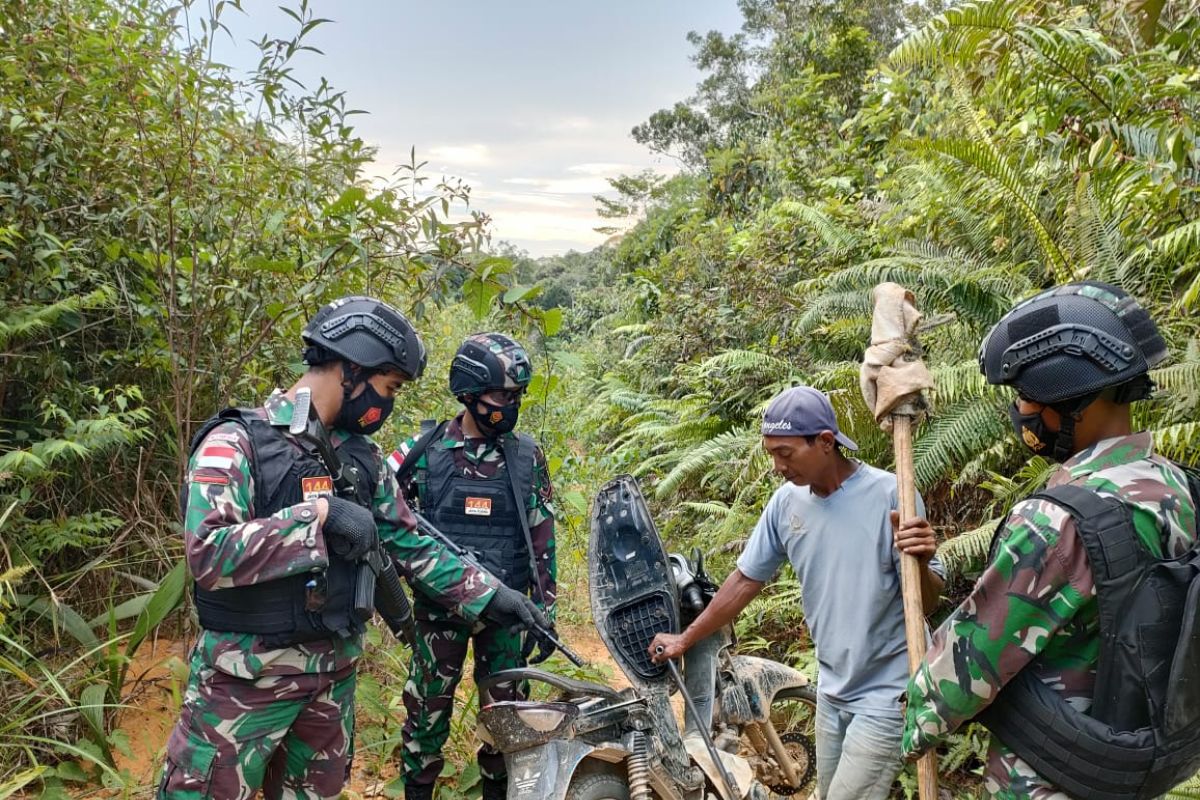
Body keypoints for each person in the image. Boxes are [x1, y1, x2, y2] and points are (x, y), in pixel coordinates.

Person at [158, 297, 549, 800]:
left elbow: (410, 540)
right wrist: (318, 517)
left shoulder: (360, 460)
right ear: (352, 368)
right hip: (242, 686)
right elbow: (208, 553)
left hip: (330, 683)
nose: (386, 405)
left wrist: (495, 597)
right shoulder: (236, 442)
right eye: (388, 389)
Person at [902, 281, 1199, 798]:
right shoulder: (1180, 487)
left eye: (1024, 397)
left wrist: (911, 721)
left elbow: (962, 673)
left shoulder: (1055, 523)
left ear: (1067, 395)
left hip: (1051, 778)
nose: (1021, 413)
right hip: (1135, 765)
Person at [649, 384, 944, 800]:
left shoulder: (891, 496)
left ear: (825, 443)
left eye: (785, 453)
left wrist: (920, 561)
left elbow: (924, 603)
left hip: (888, 691)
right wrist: (687, 637)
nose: (776, 466)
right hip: (831, 688)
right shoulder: (787, 504)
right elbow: (744, 581)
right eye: (771, 453)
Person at [388, 332, 557, 800]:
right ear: (469, 393)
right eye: (503, 395)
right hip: (438, 614)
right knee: (425, 719)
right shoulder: (422, 452)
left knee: (505, 725)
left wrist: (547, 611)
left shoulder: (526, 455)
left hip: (507, 615)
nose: (512, 404)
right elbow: (387, 522)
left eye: (518, 395)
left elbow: (542, 536)